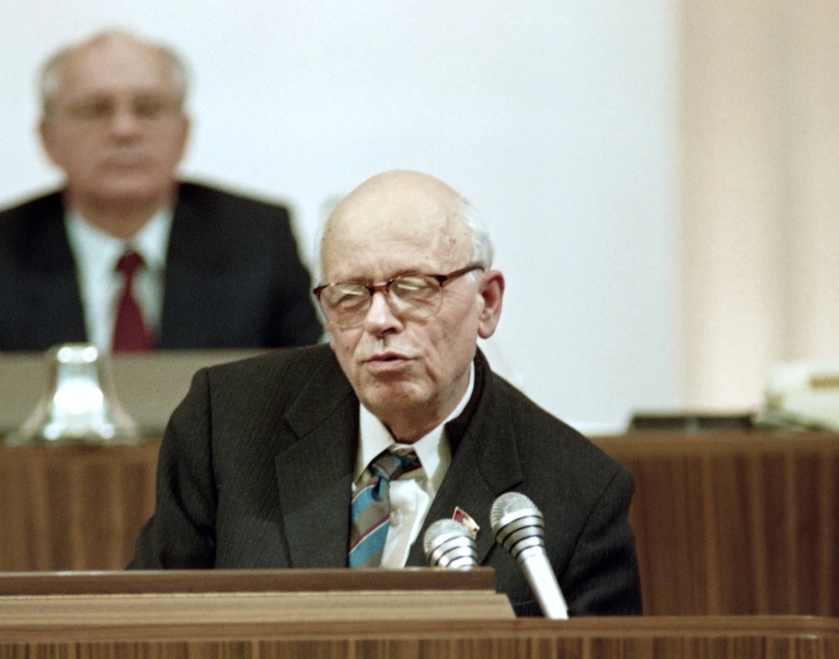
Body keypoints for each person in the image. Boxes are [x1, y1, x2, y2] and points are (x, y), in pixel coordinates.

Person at [129, 170, 642, 617]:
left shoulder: (579, 493)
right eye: (350, 296)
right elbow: (146, 628)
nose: (378, 321)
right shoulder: (227, 423)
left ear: (486, 302)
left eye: (414, 287)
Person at [0, 29, 322, 354]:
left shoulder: (258, 240)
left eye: (148, 108)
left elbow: (321, 395)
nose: (124, 129)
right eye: (94, 110)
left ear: (182, 134)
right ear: (48, 138)